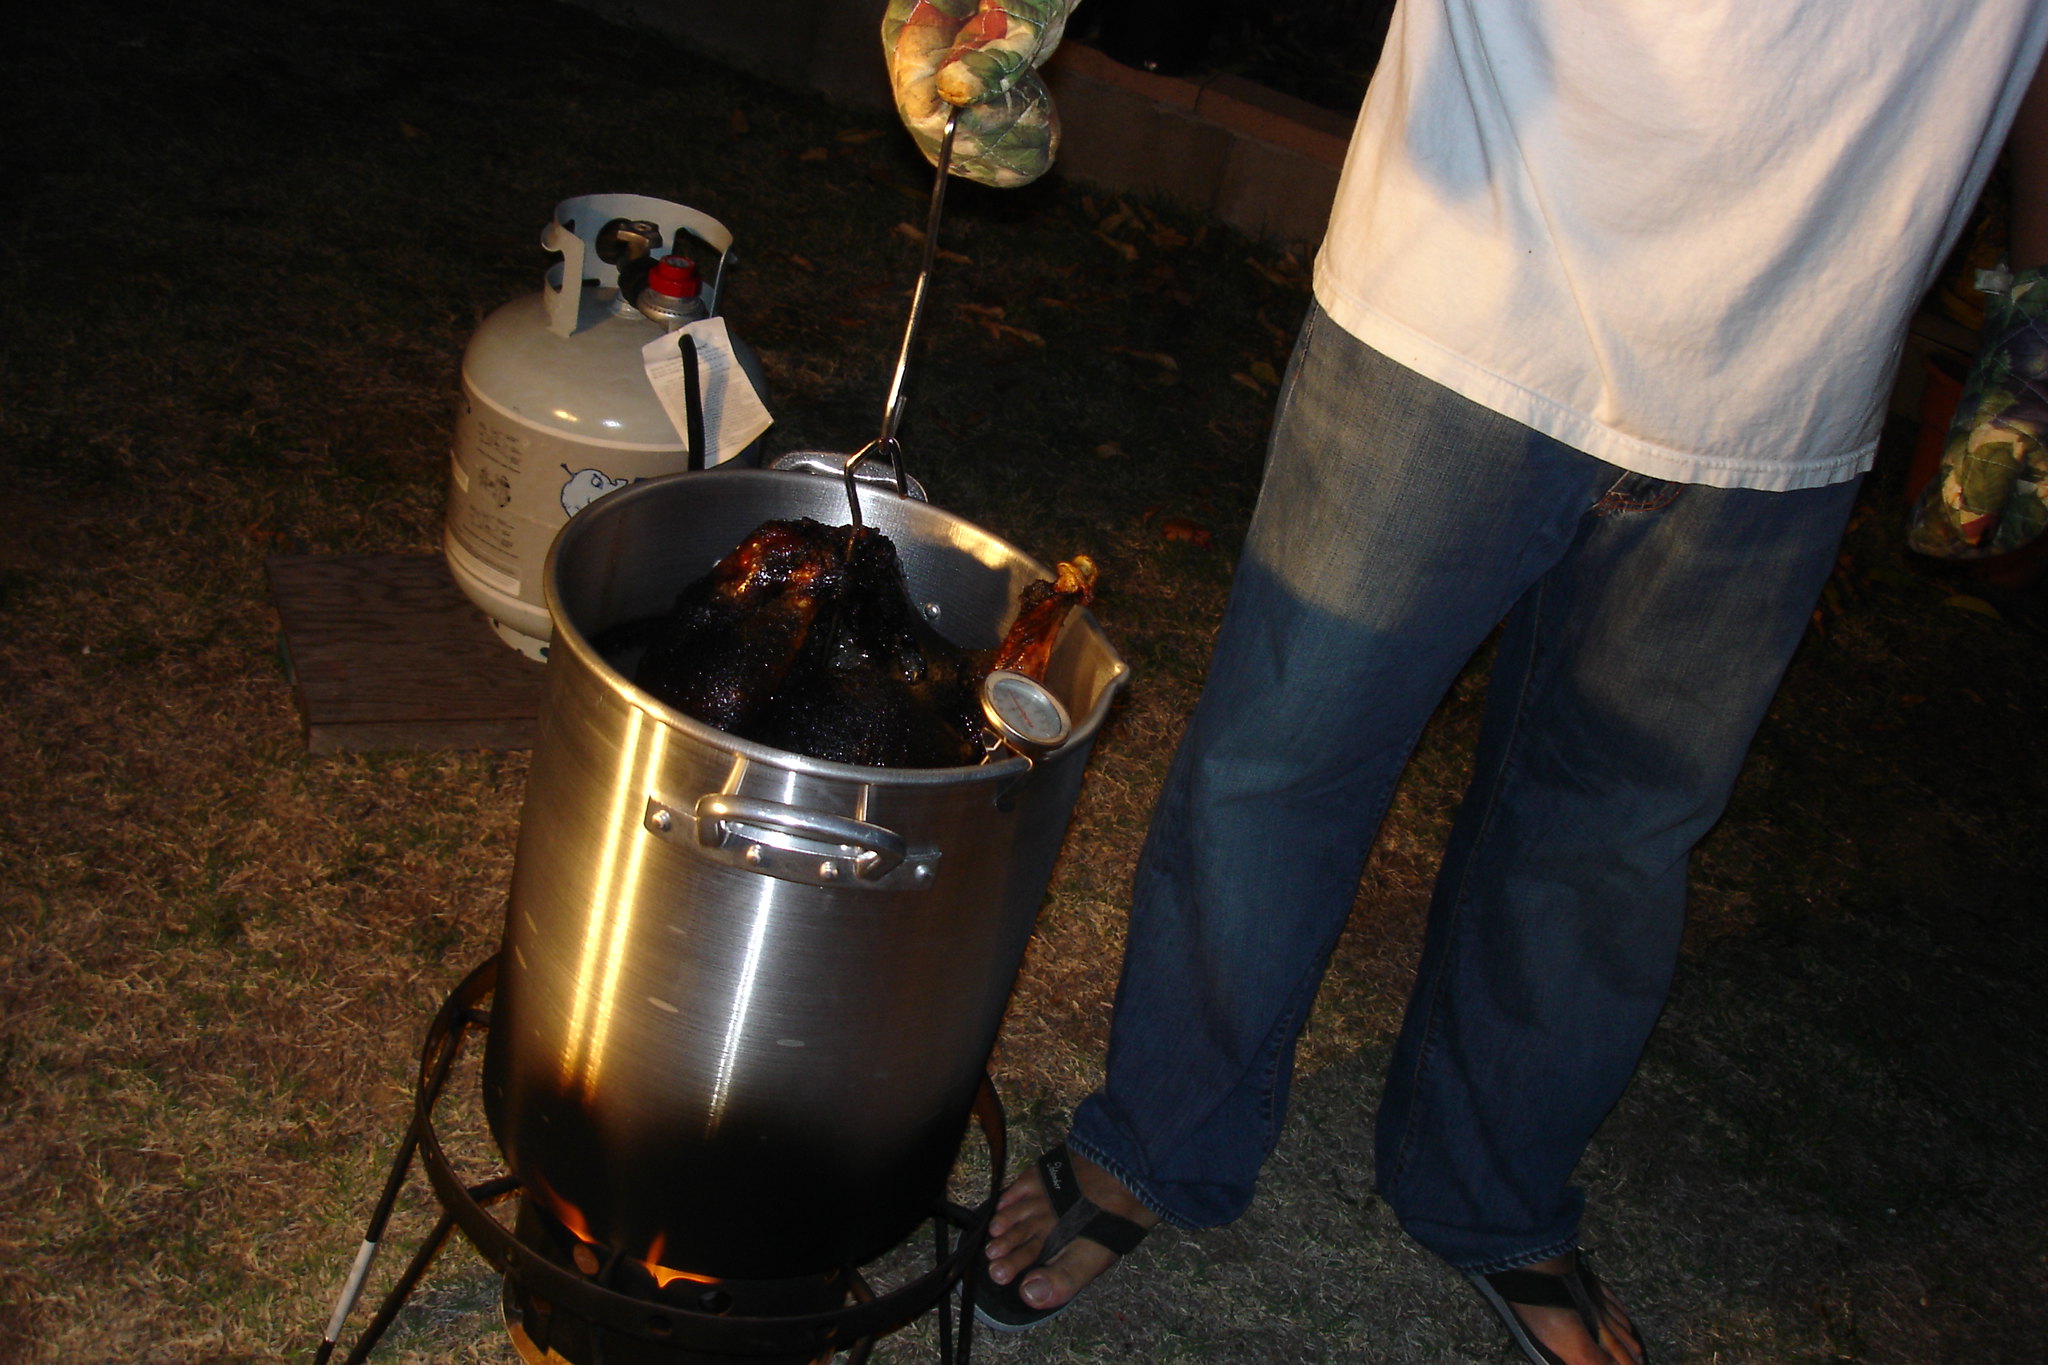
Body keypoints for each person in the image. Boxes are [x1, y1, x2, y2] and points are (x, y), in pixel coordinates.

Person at [884, 4, 2048, 1362]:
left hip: (1801, 345)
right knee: (1282, 759)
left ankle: (1491, 1187)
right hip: (1469, 273)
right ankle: (1158, 1138)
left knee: (1611, 841)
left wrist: (2036, 308)